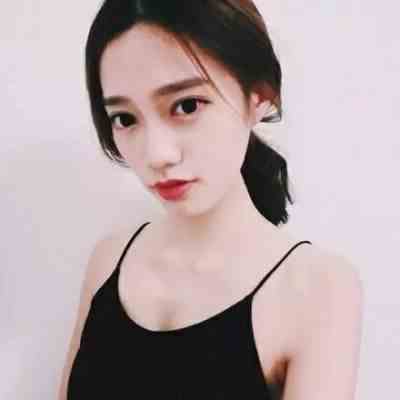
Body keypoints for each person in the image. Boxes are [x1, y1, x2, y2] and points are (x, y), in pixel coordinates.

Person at [58, 1, 363, 399]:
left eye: (186, 106)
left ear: (259, 95)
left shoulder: (317, 288)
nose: (156, 154)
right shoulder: (109, 259)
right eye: (125, 118)